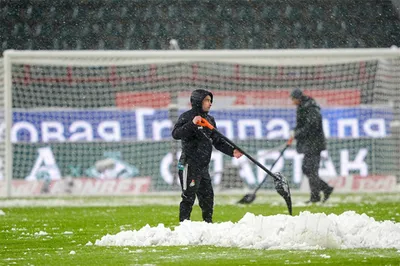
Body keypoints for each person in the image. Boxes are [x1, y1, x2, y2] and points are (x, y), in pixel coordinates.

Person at [172, 89, 243, 223]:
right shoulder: (186, 117)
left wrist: (232, 151)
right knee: (188, 197)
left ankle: (208, 225)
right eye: (206, 100)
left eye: (210, 100)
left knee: (208, 198)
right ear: (198, 101)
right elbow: (176, 134)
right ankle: (183, 226)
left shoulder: (210, 120)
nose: (210, 103)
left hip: (203, 167)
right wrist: (192, 124)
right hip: (189, 165)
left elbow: (217, 141)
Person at [290, 88, 334, 203]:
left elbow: (311, 126)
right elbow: (301, 124)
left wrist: (298, 133)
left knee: (311, 170)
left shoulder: (311, 108)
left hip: (315, 144)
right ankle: (325, 189)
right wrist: (294, 132)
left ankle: (316, 196)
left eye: (293, 99)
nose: (292, 102)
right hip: (309, 144)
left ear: (298, 98)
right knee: (307, 169)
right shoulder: (302, 107)